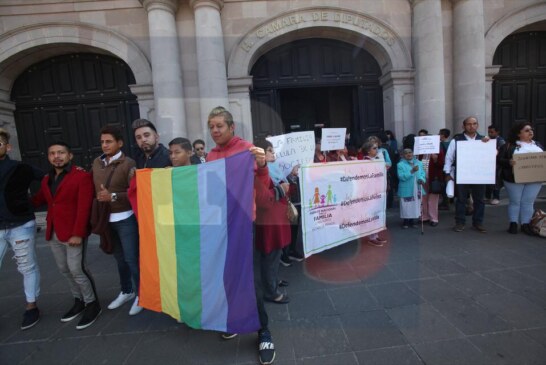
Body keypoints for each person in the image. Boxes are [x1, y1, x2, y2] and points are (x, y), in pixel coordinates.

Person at [205, 106, 276, 365]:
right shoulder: (211, 155)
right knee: (228, 277)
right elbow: (211, 190)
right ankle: (236, 319)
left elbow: (264, 184)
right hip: (221, 224)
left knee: (251, 281)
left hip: (245, 223)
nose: (214, 131)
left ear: (231, 127)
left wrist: (263, 164)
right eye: (211, 126)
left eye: (219, 126)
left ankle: (264, 331)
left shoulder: (247, 149)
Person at [31, 141, 100, 329]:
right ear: (48, 157)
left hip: (73, 233)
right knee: (63, 269)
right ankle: (79, 300)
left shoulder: (81, 176)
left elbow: (84, 207)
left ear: (69, 156)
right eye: (52, 153)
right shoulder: (47, 179)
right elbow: (40, 199)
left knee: (77, 269)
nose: (57, 156)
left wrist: (78, 233)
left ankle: (92, 303)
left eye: (61, 152)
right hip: (53, 231)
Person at [92, 126, 142, 316]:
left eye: (109, 141)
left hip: (126, 218)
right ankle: (127, 291)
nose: (105, 145)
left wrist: (112, 196)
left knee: (131, 259)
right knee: (119, 259)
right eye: (102, 142)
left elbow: (134, 192)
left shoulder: (129, 163)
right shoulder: (96, 162)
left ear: (119, 143)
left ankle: (141, 294)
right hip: (107, 219)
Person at [0, 128, 44, 330]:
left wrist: (33, 202)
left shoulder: (20, 167)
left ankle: (31, 306)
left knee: (27, 267)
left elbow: (47, 179)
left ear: (7, 147)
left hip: (20, 225)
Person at [254, 139, 291, 304]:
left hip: (276, 218)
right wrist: (281, 190)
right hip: (269, 220)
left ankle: (273, 281)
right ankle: (271, 291)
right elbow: (263, 199)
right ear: (260, 154)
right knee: (270, 255)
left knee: (275, 254)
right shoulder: (258, 173)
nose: (273, 153)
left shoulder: (272, 170)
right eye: (269, 150)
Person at [443, 117, 490, 233]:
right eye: (469, 124)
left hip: (479, 174)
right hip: (462, 173)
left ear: (477, 125)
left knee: (479, 200)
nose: (471, 126)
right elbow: (449, 158)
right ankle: (460, 222)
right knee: (461, 199)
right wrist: (447, 173)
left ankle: (478, 222)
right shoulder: (457, 140)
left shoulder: (483, 139)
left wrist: (489, 145)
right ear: (463, 126)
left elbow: (492, 155)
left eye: (474, 124)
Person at [498, 122, 543, 235]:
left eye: (531, 130)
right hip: (514, 179)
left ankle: (525, 224)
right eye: (527, 130)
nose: (531, 132)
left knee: (528, 202)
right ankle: (513, 223)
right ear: (519, 134)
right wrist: (509, 162)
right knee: (515, 201)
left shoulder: (537, 145)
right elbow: (499, 160)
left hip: (535, 179)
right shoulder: (509, 146)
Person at [361, 141, 388, 246]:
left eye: (377, 148)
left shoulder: (377, 159)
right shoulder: (365, 161)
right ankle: (371, 236)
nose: (377, 150)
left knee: (377, 213)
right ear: (368, 151)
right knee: (371, 214)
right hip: (369, 191)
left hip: (377, 190)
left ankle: (375, 235)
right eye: (374, 148)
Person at [398, 148, 426, 228]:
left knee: (415, 204)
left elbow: (422, 173)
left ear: (413, 153)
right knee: (406, 204)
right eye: (406, 153)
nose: (409, 154)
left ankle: (413, 220)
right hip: (406, 188)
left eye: (410, 152)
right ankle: (406, 221)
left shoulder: (419, 163)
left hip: (417, 187)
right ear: (403, 155)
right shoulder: (400, 164)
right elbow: (401, 177)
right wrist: (411, 171)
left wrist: (421, 179)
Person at [486, 125, 506, 205]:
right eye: (489, 132)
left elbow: (502, 153)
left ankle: (496, 197)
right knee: (488, 182)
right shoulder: (488, 140)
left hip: (497, 164)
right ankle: (487, 197)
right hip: (488, 163)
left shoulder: (501, 141)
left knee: (496, 182)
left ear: (497, 132)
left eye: (492, 132)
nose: (490, 134)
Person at [438, 128, 451, 210]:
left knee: (443, 184)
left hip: (442, 166)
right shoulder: (451, 143)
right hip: (449, 166)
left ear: (443, 135)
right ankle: (447, 201)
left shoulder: (440, 144)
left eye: (439, 134)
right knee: (447, 184)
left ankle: (445, 202)